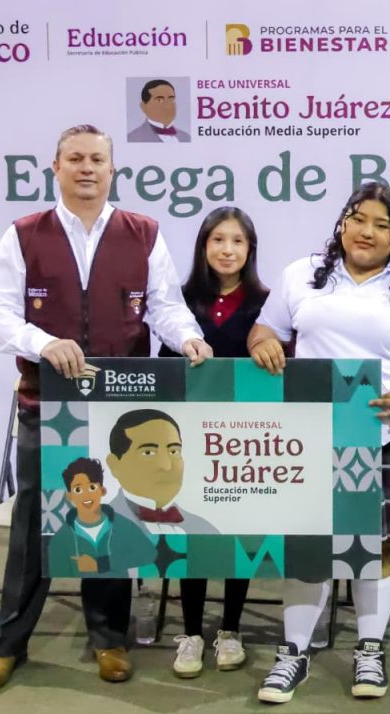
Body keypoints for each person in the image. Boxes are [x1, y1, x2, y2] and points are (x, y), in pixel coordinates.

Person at [0, 123, 211, 694]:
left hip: (117, 404)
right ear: (55, 168)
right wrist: (42, 342)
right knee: (35, 523)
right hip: (46, 401)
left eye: (97, 160)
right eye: (75, 159)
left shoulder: (143, 233)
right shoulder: (23, 234)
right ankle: (8, 645)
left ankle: (109, 638)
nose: (86, 168)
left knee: (109, 517)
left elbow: (165, 306)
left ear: (112, 170)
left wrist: (189, 338)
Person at [248, 183, 390, 703]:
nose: (367, 232)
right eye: (358, 219)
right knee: (308, 546)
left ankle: (369, 650)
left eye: (382, 225)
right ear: (342, 223)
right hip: (310, 435)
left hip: (387, 433)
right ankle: (293, 655)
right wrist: (265, 343)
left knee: (378, 546)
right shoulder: (302, 274)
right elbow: (263, 331)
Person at [157, 207, 269, 678]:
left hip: (243, 444)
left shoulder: (266, 304)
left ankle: (231, 629)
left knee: (238, 534)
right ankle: (190, 634)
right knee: (193, 535)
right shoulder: (178, 302)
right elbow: (165, 369)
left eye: (237, 241)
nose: (227, 250)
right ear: (203, 246)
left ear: (250, 249)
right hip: (189, 441)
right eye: (218, 240)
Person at [106, 409, 218, 536]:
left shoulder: (206, 529)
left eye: (174, 451)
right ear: (114, 465)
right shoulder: (99, 528)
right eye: (148, 452)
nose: (166, 466)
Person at [47, 458, 156, 578]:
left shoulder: (121, 524)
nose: (86, 495)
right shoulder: (61, 538)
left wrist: (101, 564)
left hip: (119, 588)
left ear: (102, 490)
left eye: (92, 487)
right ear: (69, 496)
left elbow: (149, 553)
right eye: (78, 489)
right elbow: (59, 577)